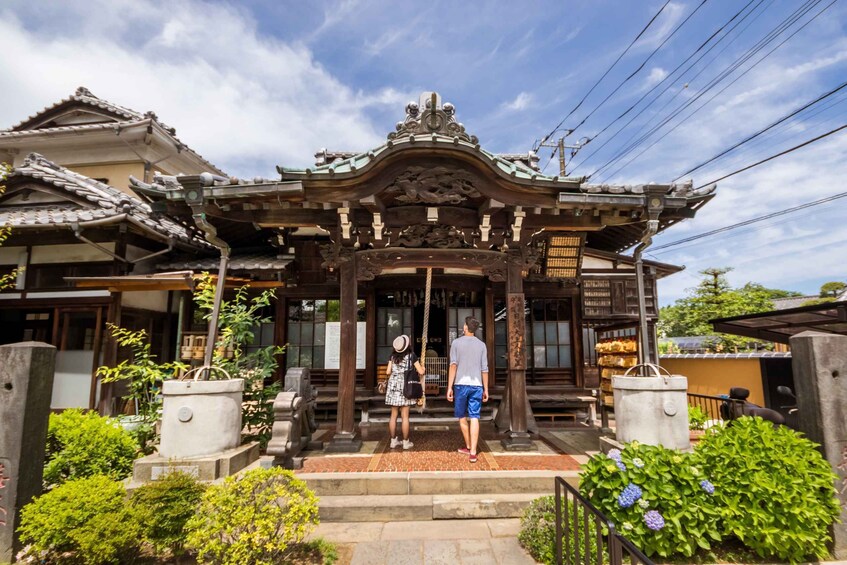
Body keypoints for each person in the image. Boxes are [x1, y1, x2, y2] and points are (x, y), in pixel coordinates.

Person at [447, 316, 488, 463]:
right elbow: (485, 369)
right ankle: (473, 452)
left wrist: (449, 387)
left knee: (462, 416)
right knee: (475, 416)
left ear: (465, 327)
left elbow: (453, 365)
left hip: (460, 384)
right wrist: (486, 389)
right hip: (477, 385)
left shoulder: (456, 343)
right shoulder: (481, 345)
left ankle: (469, 445)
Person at [385, 334, 425, 449]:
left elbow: (388, 372)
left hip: (393, 386)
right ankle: (406, 442)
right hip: (406, 386)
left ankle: (393, 441)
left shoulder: (392, 356)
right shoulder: (412, 356)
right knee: (405, 416)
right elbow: (421, 372)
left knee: (393, 415)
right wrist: (423, 369)